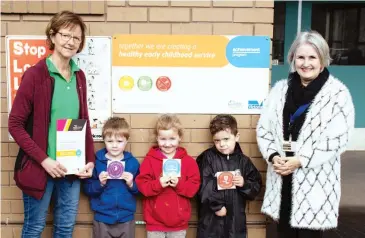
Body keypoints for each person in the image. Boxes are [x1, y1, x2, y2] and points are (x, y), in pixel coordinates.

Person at [256, 31, 355, 238]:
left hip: (315, 183)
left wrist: (300, 160)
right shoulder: (280, 90)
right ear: (292, 59)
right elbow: (264, 129)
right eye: (300, 57)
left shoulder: (337, 94)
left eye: (312, 57)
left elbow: (338, 139)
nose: (306, 63)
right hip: (283, 177)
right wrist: (274, 156)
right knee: (284, 233)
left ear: (322, 60)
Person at [8, 11, 95, 238]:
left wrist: (90, 161)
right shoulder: (36, 75)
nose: (70, 42)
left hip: (71, 169)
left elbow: (83, 122)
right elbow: (15, 124)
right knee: (34, 228)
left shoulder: (79, 76)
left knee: (65, 229)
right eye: (66, 35)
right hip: (41, 167)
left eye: (76, 38)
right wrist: (44, 160)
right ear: (53, 36)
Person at [196, 114, 262, 238]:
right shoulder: (207, 158)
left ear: (236, 137)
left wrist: (244, 184)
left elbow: (256, 185)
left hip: (235, 222)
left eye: (226, 139)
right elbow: (203, 185)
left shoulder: (243, 161)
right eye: (217, 140)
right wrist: (217, 206)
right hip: (211, 222)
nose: (222, 144)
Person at [135, 114, 200, 238]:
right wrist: (158, 184)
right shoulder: (149, 161)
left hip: (178, 223)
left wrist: (179, 184)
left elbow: (193, 188)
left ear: (179, 137)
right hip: (155, 223)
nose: (167, 144)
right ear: (157, 138)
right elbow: (142, 186)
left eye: (172, 139)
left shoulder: (188, 162)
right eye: (163, 139)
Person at [83, 117, 139, 238]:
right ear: (104, 140)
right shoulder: (97, 162)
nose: (114, 145)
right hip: (102, 218)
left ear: (126, 141)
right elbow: (87, 189)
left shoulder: (132, 163)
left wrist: (131, 184)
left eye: (119, 141)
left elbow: (141, 190)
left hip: (126, 218)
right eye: (110, 141)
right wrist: (100, 184)